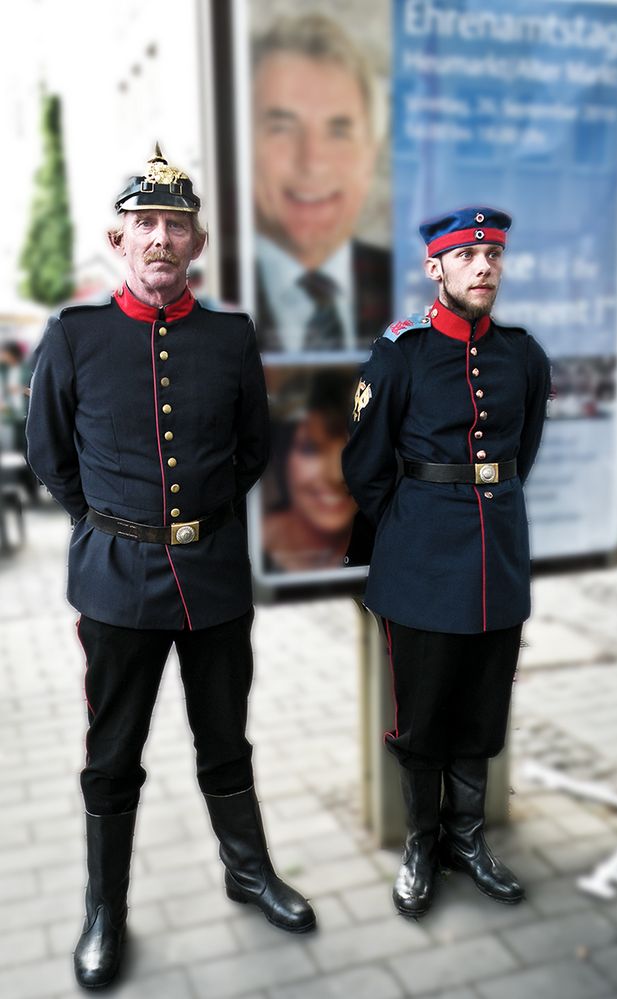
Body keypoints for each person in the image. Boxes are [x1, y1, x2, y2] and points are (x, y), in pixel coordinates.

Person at [26, 146, 315, 990]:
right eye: (145, 224)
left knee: (226, 737)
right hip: (116, 585)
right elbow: (49, 454)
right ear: (118, 239)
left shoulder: (229, 337)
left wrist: (199, 524)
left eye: (175, 225)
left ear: (197, 243)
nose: (160, 238)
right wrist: (109, 526)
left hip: (216, 577)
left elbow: (254, 446)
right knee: (113, 752)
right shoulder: (74, 335)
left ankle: (247, 868)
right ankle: (105, 908)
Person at [342, 207, 550, 918]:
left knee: (482, 710)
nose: (484, 265)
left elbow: (520, 456)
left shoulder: (521, 355)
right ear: (435, 268)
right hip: (421, 564)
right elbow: (365, 465)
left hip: (496, 561)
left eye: (492, 253)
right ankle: (420, 846)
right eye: (467, 255)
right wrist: (408, 531)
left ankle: (468, 839)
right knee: (422, 718)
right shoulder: (401, 352)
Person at [252, 14, 391, 351]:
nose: (313, 162)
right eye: (282, 128)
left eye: (339, 131)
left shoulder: (417, 293)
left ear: (370, 154)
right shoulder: (197, 299)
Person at [263, 369, 357, 570]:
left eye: (351, 448)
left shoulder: (387, 546)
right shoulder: (253, 557)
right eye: (311, 449)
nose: (336, 474)